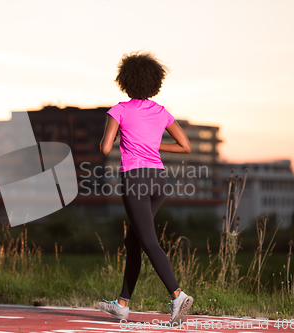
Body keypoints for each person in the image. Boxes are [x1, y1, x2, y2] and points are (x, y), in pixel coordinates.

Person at [98, 51, 193, 326]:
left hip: (135, 180)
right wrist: (154, 144)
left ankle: (177, 295)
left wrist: (119, 138)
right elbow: (185, 146)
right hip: (158, 181)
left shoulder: (119, 110)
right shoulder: (161, 111)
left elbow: (105, 147)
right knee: (134, 241)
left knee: (148, 241)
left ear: (125, 81)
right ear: (154, 82)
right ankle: (122, 305)